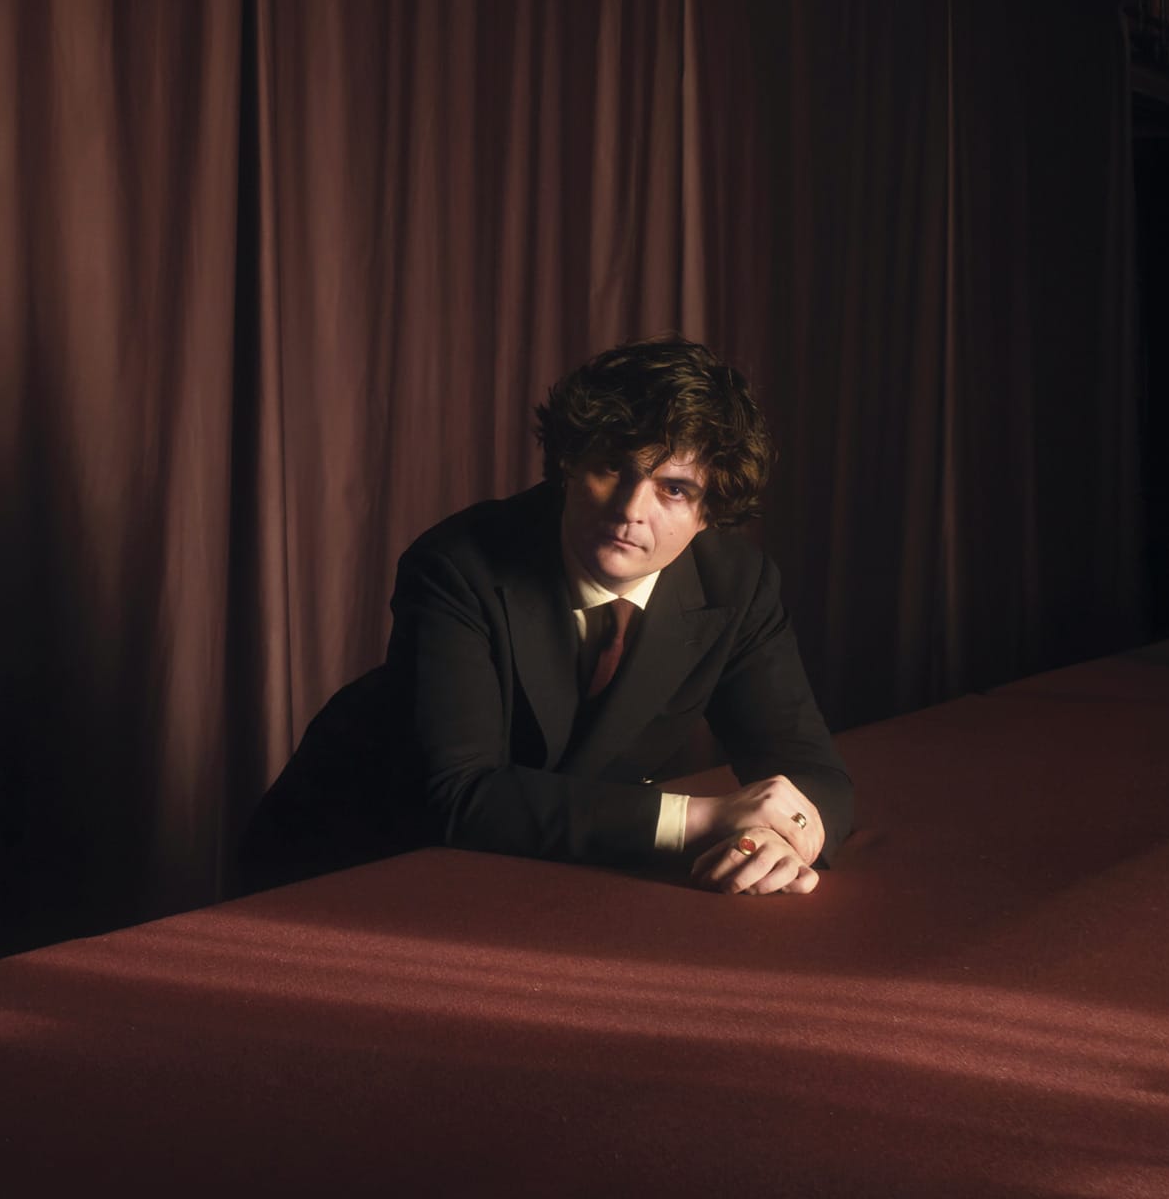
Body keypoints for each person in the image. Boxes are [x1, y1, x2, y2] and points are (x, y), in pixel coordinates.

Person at [239, 336, 853, 896]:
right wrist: (707, 817)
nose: (631, 509)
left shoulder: (738, 585)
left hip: (545, 869)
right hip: (357, 854)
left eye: (673, 488)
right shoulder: (458, 563)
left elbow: (809, 771)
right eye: (613, 465)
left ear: (709, 511)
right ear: (568, 463)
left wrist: (778, 836)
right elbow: (463, 794)